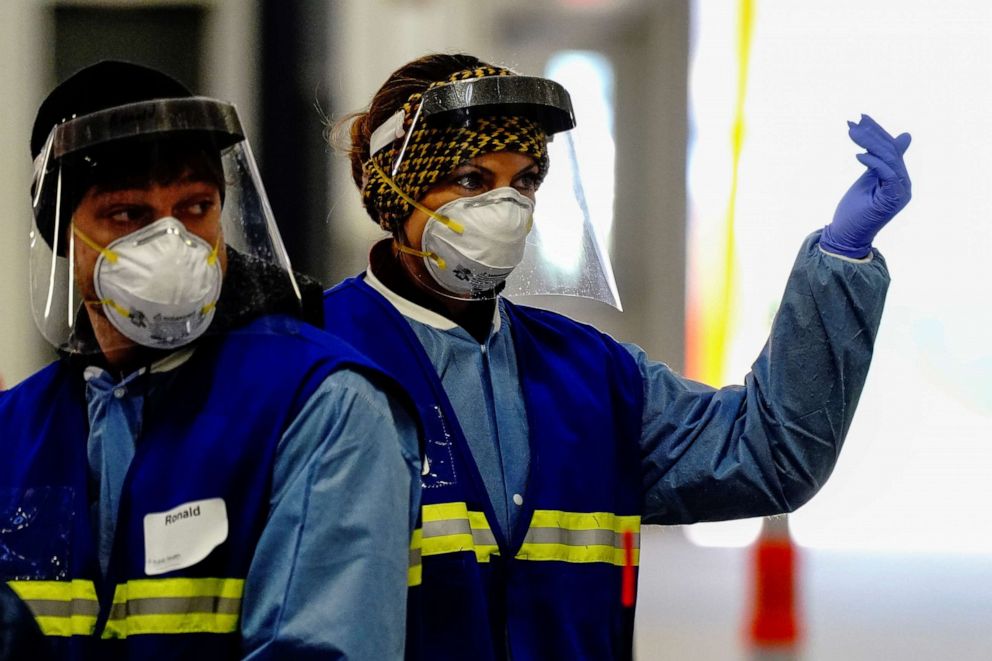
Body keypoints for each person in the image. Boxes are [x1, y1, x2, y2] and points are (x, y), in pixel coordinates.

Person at [322, 53, 911, 660]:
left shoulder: (591, 374)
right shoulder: (313, 359)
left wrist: (842, 258)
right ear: (395, 191)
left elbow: (769, 455)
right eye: (472, 180)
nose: (505, 209)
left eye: (523, 181)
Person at [0, 61, 420, 660]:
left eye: (196, 207)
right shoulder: (16, 430)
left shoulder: (320, 407)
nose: (172, 244)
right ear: (67, 237)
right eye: (128, 215)